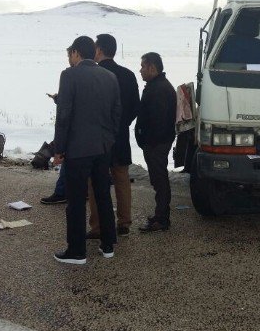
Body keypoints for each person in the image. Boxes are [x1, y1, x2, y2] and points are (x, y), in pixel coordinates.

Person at [52, 36, 121, 265]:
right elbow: (116, 114)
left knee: (76, 200)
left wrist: (59, 148)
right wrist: (108, 140)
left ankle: (77, 251)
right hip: (103, 148)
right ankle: (108, 244)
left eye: (69, 54)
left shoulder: (69, 75)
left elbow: (64, 116)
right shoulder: (110, 77)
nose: (69, 59)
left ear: (75, 53)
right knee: (102, 195)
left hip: (78, 149)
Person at [86, 34, 139, 238]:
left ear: (99, 50)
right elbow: (135, 106)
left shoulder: (95, 74)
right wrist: (122, 123)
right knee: (122, 179)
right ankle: (124, 222)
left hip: (98, 137)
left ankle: (97, 226)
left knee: (95, 182)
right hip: (121, 135)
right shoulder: (128, 75)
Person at [135, 52, 177, 232]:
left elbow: (158, 121)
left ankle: (162, 219)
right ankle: (160, 215)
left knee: (160, 180)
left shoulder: (160, 88)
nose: (140, 70)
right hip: (156, 142)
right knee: (158, 179)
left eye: (143, 66)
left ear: (152, 67)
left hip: (157, 143)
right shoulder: (156, 85)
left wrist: (148, 141)